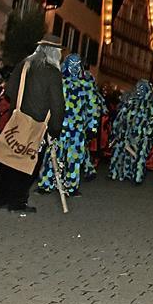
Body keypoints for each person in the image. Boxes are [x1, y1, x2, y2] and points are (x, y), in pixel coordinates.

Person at [0, 37, 65, 213]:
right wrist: (55, 128)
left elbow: (9, 91)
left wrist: (19, 105)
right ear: (55, 52)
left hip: (18, 120)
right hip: (37, 126)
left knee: (8, 160)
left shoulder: (25, 64)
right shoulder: (53, 72)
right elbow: (57, 104)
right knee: (28, 164)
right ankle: (17, 201)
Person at [36, 54, 104, 197]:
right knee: (53, 155)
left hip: (77, 129)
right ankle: (46, 184)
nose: (74, 68)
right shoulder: (59, 83)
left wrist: (92, 127)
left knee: (74, 158)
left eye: (77, 65)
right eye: (71, 64)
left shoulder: (87, 86)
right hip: (58, 127)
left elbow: (93, 107)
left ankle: (71, 187)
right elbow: (48, 103)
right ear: (66, 65)